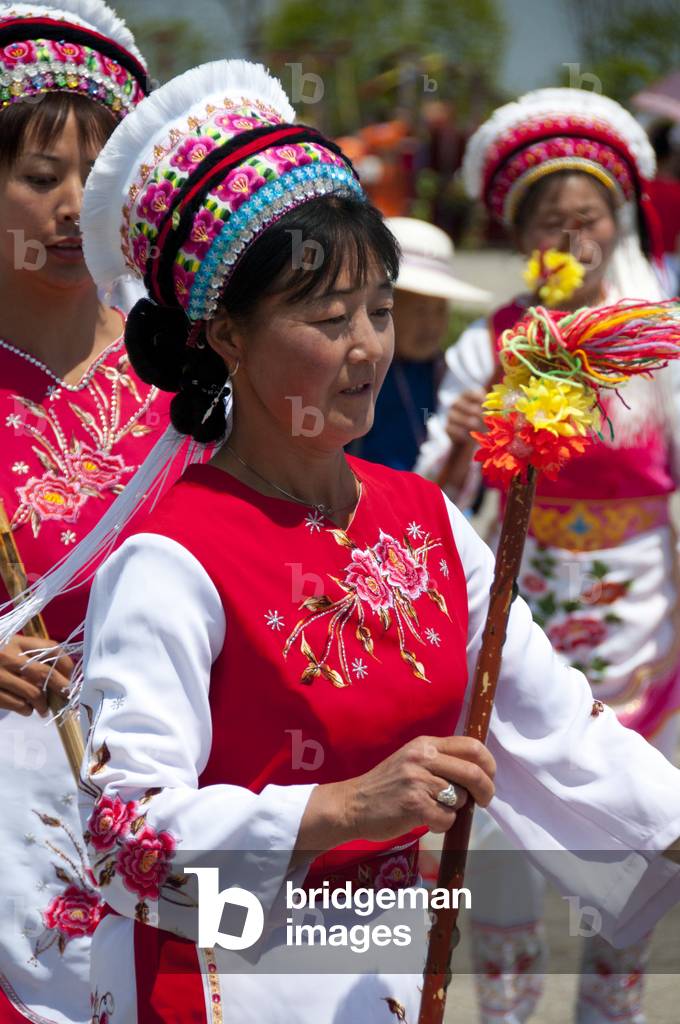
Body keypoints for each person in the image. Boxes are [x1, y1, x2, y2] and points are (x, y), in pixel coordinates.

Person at [2, 60, 677, 1023]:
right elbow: (123, 832)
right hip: (232, 986)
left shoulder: (425, 518)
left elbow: (557, 729)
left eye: (380, 309)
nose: (367, 346)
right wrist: (346, 809)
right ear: (226, 334)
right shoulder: (172, 555)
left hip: (384, 971)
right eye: (327, 318)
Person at [415, 87, 680, 1024]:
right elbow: (435, 508)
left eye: (591, 217)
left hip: (649, 644)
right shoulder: (490, 345)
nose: (577, 238)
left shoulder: (661, 342)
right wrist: (455, 440)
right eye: (554, 223)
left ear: (619, 220)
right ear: (526, 236)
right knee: (504, 872)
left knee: (638, 865)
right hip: (521, 643)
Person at [0, 4, 165, 1022]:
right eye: (36, 175)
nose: (71, 207)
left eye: (95, 176)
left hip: (172, 794)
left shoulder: (189, 367)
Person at [347, 216, 490, 470]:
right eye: (420, 310)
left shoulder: (449, 375)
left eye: (439, 310)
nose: (431, 325)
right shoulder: (353, 373)